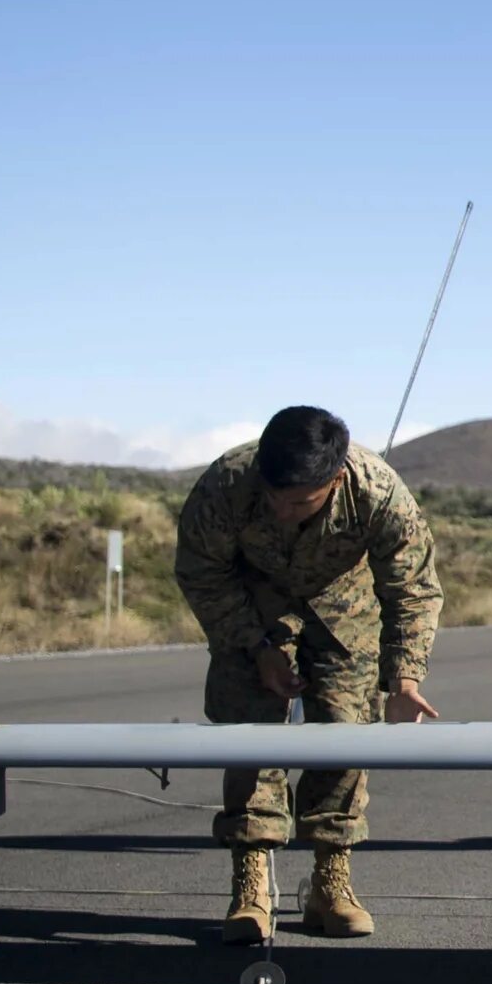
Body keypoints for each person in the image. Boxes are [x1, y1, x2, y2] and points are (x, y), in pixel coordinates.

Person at [174, 405, 441, 945]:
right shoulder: (226, 483)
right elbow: (201, 573)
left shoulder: (377, 491)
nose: (281, 510)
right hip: (254, 607)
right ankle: (251, 885)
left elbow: (412, 587)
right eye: (274, 496)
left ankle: (331, 882)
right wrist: (254, 646)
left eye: (299, 502)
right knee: (250, 736)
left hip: (345, 611)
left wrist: (405, 678)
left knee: (345, 737)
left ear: (334, 479)